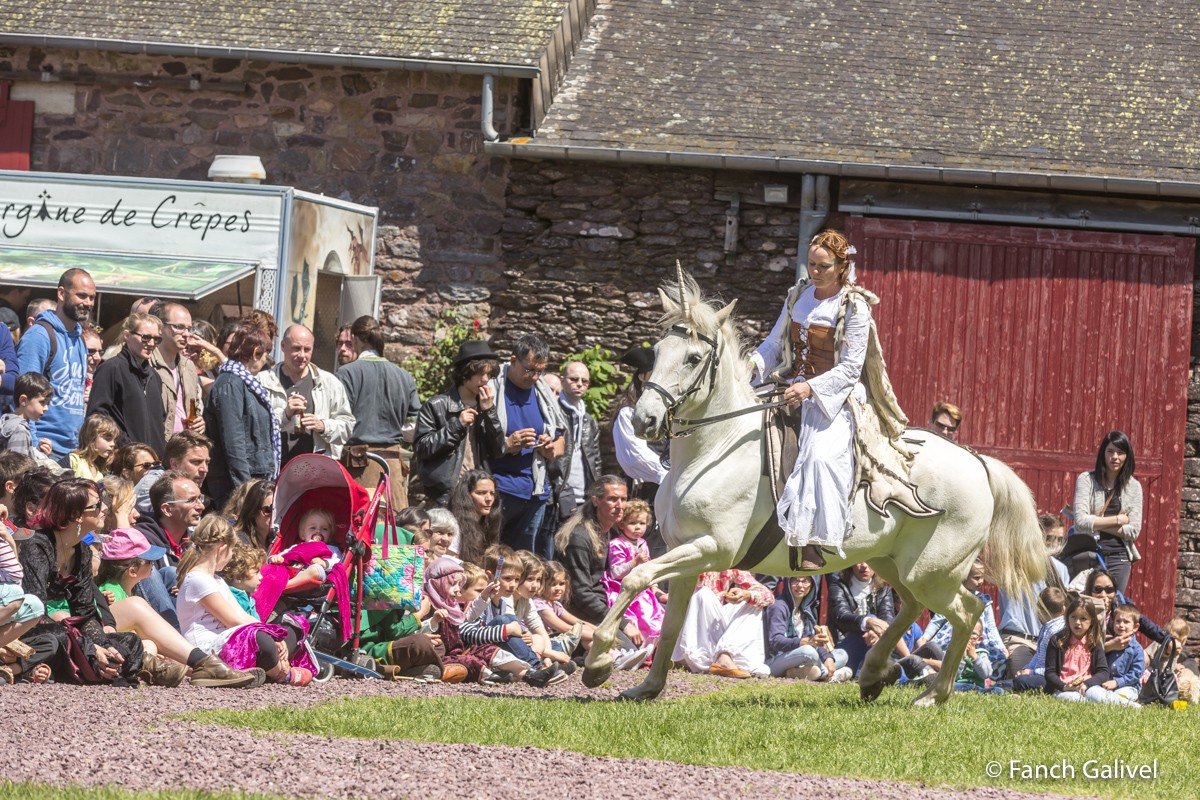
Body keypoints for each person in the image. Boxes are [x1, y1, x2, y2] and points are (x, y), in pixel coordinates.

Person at [750, 230, 903, 571]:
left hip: (833, 395)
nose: (815, 271)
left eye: (823, 266)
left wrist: (810, 389)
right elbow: (774, 344)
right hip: (790, 382)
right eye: (811, 263)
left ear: (841, 267)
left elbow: (851, 368)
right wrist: (753, 363)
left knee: (818, 457)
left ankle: (813, 541)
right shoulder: (798, 295)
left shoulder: (855, 307)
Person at [94, 527, 263, 688]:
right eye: (149, 561)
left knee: (150, 644)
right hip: (108, 640)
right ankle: (204, 668)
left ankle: (190, 669)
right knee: (145, 629)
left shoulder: (128, 589)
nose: (153, 564)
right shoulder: (111, 591)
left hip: (122, 643)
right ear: (132, 571)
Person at [19, 477, 146, 685]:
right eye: (96, 505)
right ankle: (93, 667)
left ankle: (99, 667)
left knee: (129, 642)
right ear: (76, 515)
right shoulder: (37, 546)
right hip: (32, 628)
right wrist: (90, 646)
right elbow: (36, 614)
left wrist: (104, 644)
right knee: (58, 639)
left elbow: (84, 613)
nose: (104, 508)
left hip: (65, 629)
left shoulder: (82, 552)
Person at [175, 515, 311, 685]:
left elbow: (242, 615)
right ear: (222, 549)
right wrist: (268, 636)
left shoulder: (216, 580)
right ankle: (283, 674)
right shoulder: (197, 579)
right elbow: (233, 621)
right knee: (260, 638)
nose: (231, 556)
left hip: (232, 640)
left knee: (291, 628)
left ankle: (264, 669)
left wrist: (274, 635)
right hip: (211, 650)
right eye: (231, 551)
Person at [480, 333, 566, 558]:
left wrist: (550, 448)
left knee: (523, 561)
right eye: (529, 370)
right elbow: (477, 440)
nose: (535, 377)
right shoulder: (492, 388)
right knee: (491, 554)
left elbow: (560, 443)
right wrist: (508, 444)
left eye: (540, 371)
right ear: (513, 361)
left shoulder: (542, 392)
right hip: (501, 490)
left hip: (535, 493)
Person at [337, 315, 420, 512]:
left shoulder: (347, 373)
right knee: (391, 532)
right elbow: (415, 426)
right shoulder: (404, 376)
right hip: (392, 468)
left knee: (360, 528)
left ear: (355, 339)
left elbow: (338, 423)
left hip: (358, 470)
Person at [16, 268, 94, 461]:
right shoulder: (39, 336)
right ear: (61, 293)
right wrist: (33, 446)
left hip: (73, 452)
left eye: (92, 298)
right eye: (82, 296)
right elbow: (21, 397)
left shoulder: (80, 340)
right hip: (44, 449)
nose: (88, 303)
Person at [554, 476, 641, 645]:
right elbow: (580, 594)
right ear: (595, 500)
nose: (620, 506)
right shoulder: (579, 537)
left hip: (606, 605)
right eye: (612, 499)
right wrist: (621, 623)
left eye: (623, 499)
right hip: (580, 612)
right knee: (627, 649)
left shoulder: (613, 533)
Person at [414, 340, 500, 507]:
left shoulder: (486, 406)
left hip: (478, 493)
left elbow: (498, 449)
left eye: (489, 375)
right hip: (447, 494)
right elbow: (422, 448)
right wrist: (456, 425)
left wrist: (490, 413)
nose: (485, 380)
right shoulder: (437, 405)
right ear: (465, 372)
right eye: (480, 374)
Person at [204, 322, 280, 507]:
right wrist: (244, 490)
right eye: (265, 353)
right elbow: (233, 440)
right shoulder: (230, 383)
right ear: (255, 352)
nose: (265, 360)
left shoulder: (245, 382)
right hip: (236, 484)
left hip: (255, 477)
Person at [261, 324, 356, 466]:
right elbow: (254, 425)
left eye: (307, 349)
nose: (302, 355)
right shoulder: (263, 381)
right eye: (296, 348)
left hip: (316, 470)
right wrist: (285, 415)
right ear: (282, 346)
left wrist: (323, 426)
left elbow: (347, 426)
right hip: (273, 467)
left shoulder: (329, 383)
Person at [611, 346, 668, 561]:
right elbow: (635, 457)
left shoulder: (669, 411)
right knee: (646, 555)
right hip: (645, 496)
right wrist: (668, 474)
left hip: (669, 492)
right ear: (642, 377)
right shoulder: (628, 412)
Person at [86, 312, 168, 458]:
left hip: (154, 461)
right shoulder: (110, 369)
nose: (151, 344)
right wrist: (124, 445)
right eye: (146, 337)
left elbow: (159, 420)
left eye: (156, 339)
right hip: (124, 459)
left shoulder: (154, 377)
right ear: (127, 335)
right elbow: (97, 417)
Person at [998, 512, 1071, 674]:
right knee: (1020, 676)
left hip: (1049, 642)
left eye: (1059, 539)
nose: (1055, 544)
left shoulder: (1062, 570)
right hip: (1018, 639)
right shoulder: (1015, 563)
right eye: (1050, 538)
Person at [1073, 430, 1141, 595]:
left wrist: (1097, 523)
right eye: (1110, 451)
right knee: (1086, 606)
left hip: (1120, 557)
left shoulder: (1134, 487)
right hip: (1089, 554)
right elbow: (1080, 521)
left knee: (1114, 607)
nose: (1115, 457)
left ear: (1127, 456)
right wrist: (1117, 520)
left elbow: (1133, 531)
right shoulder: (1086, 480)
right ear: (1103, 453)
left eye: (1120, 452)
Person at [673, 569, 774, 678]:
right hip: (689, 621)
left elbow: (769, 596)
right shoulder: (695, 559)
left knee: (753, 603)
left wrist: (746, 594)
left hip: (714, 625)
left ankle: (724, 656)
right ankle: (700, 657)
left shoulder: (731, 567)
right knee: (702, 593)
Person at [601, 499, 666, 645]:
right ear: (622, 524)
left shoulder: (643, 543)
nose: (638, 528)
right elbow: (616, 573)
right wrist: (633, 562)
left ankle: (651, 650)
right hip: (622, 588)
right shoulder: (617, 544)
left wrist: (654, 586)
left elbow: (649, 568)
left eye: (642, 523)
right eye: (633, 523)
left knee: (656, 616)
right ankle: (640, 647)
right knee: (642, 614)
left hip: (642, 589)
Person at [764, 574, 851, 682]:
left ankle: (799, 672)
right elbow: (775, 641)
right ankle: (828, 675)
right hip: (775, 661)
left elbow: (813, 641)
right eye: (795, 580)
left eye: (805, 581)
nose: (800, 585)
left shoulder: (806, 609)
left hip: (801, 658)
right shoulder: (778, 606)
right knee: (809, 652)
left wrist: (828, 657)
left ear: (812, 584)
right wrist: (805, 642)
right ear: (788, 582)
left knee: (842, 654)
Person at [1044, 594, 1124, 704]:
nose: (1077, 622)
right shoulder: (1057, 640)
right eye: (1073, 617)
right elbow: (1050, 672)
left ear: (1091, 621)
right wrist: (1064, 687)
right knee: (1074, 699)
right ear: (1067, 618)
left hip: (1088, 686)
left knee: (1100, 696)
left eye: (1083, 618)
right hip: (1063, 689)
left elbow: (1103, 671)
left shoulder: (1094, 642)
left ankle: (1132, 706)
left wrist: (1087, 684)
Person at [149, 302, 206, 440]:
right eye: (179, 327)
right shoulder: (147, 363)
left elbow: (194, 407)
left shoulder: (188, 366)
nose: (186, 334)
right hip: (155, 447)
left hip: (183, 448)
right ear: (160, 328)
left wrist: (199, 422)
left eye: (189, 329)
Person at [827, 562, 896, 674]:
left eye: (870, 561)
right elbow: (841, 616)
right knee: (872, 618)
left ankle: (906, 679)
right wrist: (869, 622)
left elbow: (888, 617)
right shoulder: (838, 586)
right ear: (851, 564)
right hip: (844, 646)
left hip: (875, 643)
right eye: (860, 561)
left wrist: (876, 632)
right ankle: (870, 675)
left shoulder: (883, 589)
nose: (864, 565)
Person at [556, 360, 601, 518]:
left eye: (585, 381)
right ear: (562, 381)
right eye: (573, 379)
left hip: (585, 497)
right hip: (558, 496)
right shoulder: (554, 413)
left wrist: (596, 492)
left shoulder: (589, 421)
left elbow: (595, 461)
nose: (579, 384)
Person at [1011, 586, 1068, 693]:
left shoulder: (1057, 632)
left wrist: (1031, 672)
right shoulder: (1046, 627)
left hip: (1053, 679)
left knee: (1020, 682)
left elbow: (1055, 667)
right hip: (1040, 673)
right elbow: (1038, 655)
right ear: (1063, 610)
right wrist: (1026, 669)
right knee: (1017, 680)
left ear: (1040, 610)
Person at [0, 372, 60, 470]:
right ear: (23, 400)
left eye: (47, 403)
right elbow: (17, 470)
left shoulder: (9, 421)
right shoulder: (20, 430)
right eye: (42, 402)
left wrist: (37, 452)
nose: (46, 408)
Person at [267, 508, 342, 586]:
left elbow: (338, 562)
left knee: (316, 570)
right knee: (275, 567)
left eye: (324, 529)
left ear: (329, 536)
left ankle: (287, 585)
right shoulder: (297, 547)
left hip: (312, 576)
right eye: (313, 528)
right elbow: (285, 554)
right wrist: (275, 558)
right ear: (303, 534)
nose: (318, 531)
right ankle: (278, 583)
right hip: (292, 571)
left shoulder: (331, 548)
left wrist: (325, 563)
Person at [535, 559, 595, 652]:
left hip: (551, 641)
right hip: (541, 644)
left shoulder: (555, 604)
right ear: (542, 584)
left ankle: (614, 656)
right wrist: (599, 636)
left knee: (583, 628)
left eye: (561, 584)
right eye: (553, 584)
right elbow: (565, 628)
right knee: (585, 635)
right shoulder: (539, 604)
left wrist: (599, 630)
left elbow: (579, 622)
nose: (558, 588)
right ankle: (614, 657)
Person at [447, 468, 502, 567]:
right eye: (481, 493)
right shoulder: (453, 526)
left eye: (492, 493)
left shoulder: (489, 524)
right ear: (467, 496)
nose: (489, 498)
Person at [1101, 602, 1146, 705]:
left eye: (1126, 622)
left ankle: (1131, 705)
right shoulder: (1108, 643)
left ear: (1135, 627)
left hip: (1128, 686)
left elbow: (1136, 673)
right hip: (1106, 684)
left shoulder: (1136, 649)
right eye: (1118, 621)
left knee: (1120, 694)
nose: (1121, 625)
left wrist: (1117, 682)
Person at [226, 478, 275, 550]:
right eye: (269, 510)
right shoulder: (238, 541)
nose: (274, 514)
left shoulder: (276, 540)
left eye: (278, 509)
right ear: (253, 512)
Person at [68, 414, 120, 481]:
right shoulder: (73, 460)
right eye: (108, 438)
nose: (113, 444)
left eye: (114, 440)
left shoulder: (99, 470)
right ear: (91, 437)